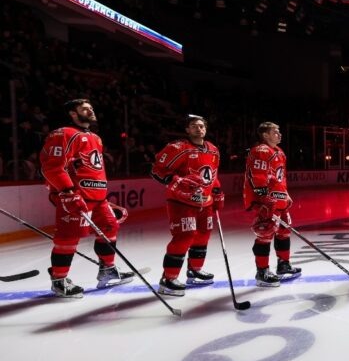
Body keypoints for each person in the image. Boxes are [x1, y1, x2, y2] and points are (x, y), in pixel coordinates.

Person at [39, 98, 133, 298]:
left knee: (109, 227)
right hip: (75, 196)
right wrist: (67, 192)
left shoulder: (95, 138)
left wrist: (101, 196)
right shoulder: (64, 133)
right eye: (84, 109)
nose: (90, 111)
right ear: (73, 114)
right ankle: (59, 281)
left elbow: (92, 169)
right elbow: (52, 166)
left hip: (98, 197)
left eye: (91, 108)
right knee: (68, 238)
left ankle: (107, 271)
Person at [150, 115, 224, 296]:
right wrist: (177, 181)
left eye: (201, 126)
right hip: (181, 201)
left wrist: (217, 191)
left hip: (205, 201)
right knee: (184, 237)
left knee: (203, 234)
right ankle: (168, 279)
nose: (199, 129)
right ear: (187, 130)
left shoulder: (213, 150)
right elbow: (157, 170)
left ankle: (195, 270)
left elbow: (212, 175)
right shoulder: (178, 148)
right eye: (194, 126)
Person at [244, 122, 301, 287]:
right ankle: (262, 272)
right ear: (265, 135)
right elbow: (257, 176)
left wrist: (286, 194)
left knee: (284, 230)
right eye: (275, 132)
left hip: (279, 199)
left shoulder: (279, 152)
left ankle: (283, 265)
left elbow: (280, 178)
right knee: (265, 232)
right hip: (267, 201)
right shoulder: (261, 150)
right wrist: (263, 199)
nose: (279, 134)